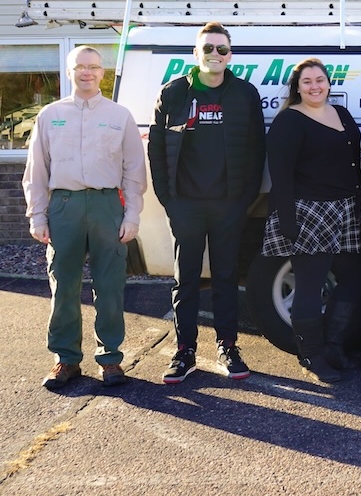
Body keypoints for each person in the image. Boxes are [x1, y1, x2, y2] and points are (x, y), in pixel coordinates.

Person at [23, 45, 147, 389]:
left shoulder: (119, 116)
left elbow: (134, 170)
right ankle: (65, 359)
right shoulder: (50, 115)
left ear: (102, 73)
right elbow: (36, 170)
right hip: (65, 206)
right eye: (80, 67)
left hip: (108, 206)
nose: (86, 72)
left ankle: (110, 359)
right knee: (64, 285)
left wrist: (132, 215)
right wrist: (37, 216)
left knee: (109, 286)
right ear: (70, 72)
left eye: (93, 67)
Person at [149, 22, 266, 384]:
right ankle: (185, 351)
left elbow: (256, 150)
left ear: (230, 55)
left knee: (226, 277)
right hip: (185, 204)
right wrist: (168, 199)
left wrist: (243, 200)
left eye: (222, 49)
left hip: (228, 205)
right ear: (195, 53)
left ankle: (227, 346)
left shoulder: (244, 94)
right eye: (208, 48)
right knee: (185, 280)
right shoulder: (173, 93)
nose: (215, 54)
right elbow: (156, 148)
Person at [262, 58, 361, 383]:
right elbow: (280, 174)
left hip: (346, 210)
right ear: (297, 87)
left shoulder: (342, 114)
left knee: (355, 279)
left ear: (328, 83)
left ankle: (333, 346)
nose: (314, 86)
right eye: (307, 81)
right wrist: (287, 220)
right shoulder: (289, 121)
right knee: (310, 286)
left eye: (319, 80)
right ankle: (311, 354)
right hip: (308, 211)